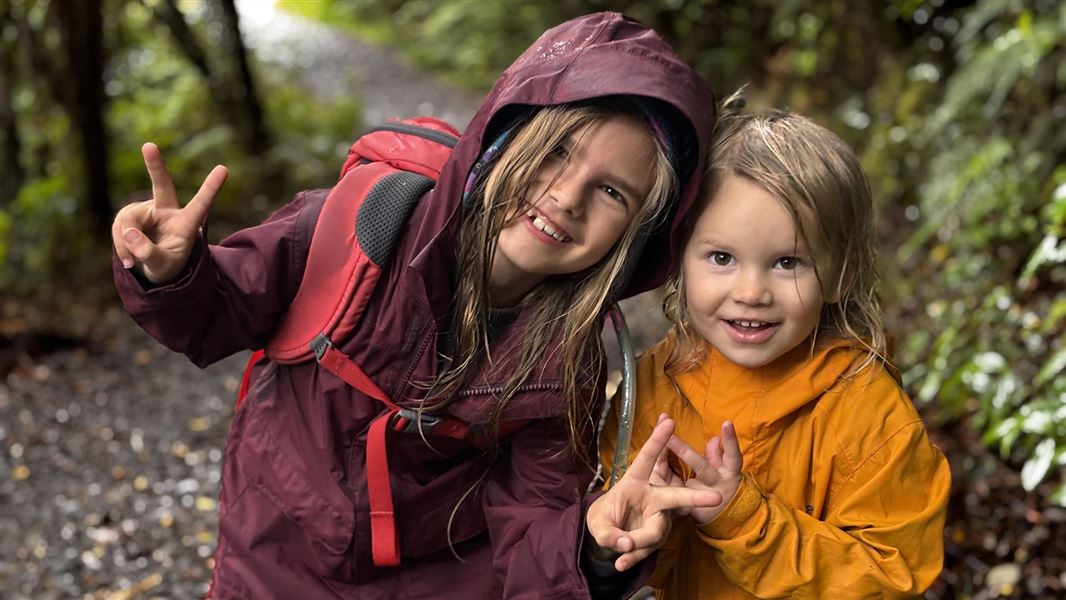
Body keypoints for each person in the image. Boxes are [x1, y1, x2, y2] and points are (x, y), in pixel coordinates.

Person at [112, 12, 720, 600]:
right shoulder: (358, 227)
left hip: (439, 577)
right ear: (501, 140)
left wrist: (590, 547)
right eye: (558, 151)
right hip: (274, 549)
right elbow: (214, 316)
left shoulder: (564, 365)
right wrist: (172, 271)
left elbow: (532, 527)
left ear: (636, 236)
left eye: (613, 191)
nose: (566, 196)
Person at [600, 108, 952, 598]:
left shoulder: (867, 417)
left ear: (840, 274)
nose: (751, 292)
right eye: (721, 258)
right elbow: (637, 547)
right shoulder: (659, 381)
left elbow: (892, 574)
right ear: (679, 258)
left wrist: (744, 520)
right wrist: (644, 527)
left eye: (787, 262)